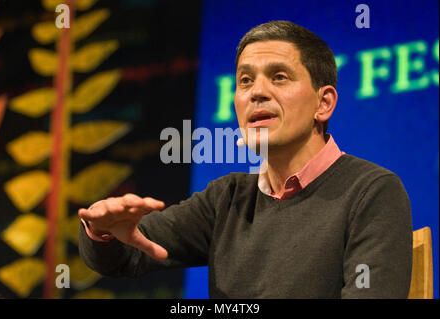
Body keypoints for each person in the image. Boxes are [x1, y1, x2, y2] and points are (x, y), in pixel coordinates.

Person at [78, 21, 412, 298]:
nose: (256, 92)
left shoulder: (372, 192)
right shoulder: (227, 199)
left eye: (279, 77)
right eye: (245, 80)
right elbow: (127, 257)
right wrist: (104, 231)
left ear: (323, 104)